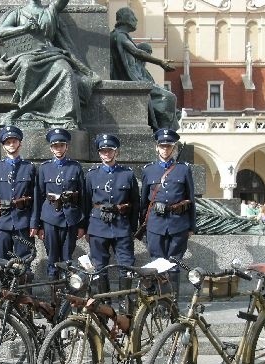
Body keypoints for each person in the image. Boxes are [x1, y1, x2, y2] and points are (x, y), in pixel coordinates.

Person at [0, 0, 100, 128]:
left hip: (50, 52)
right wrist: (23, 28)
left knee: (65, 70)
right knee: (27, 65)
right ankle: (27, 109)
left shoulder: (50, 10)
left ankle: (66, 117)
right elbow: (3, 30)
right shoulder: (17, 13)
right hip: (26, 53)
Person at [140, 128, 196, 294]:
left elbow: (191, 199)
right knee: (157, 263)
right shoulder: (148, 170)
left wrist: (191, 226)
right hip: (155, 224)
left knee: (173, 264)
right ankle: (159, 301)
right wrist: (143, 224)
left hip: (178, 223)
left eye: (169, 146)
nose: (165, 149)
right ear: (156, 147)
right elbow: (144, 201)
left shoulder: (183, 170)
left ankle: (172, 303)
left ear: (174, 148)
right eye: (162, 146)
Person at [85, 133, 139, 300]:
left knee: (126, 265)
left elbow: (135, 203)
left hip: (121, 226)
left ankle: (125, 304)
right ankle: (104, 303)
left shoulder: (128, 175)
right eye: (103, 151)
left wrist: (132, 227)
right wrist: (88, 228)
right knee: (99, 266)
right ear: (99, 153)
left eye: (110, 151)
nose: (106, 154)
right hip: (98, 226)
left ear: (116, 152)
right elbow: (86, 202)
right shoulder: (91, 175)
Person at [109, 7, 178, 131]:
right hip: (130, 81)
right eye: (133, 17)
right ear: (125, 19)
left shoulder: (120, 35)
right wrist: (160, 62)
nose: (136, 20)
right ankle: (163, 136)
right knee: (168, 98)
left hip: (134, 80)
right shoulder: (119, 36)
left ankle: (165, 133)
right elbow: (136, 52)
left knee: (168, 98)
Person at [38, 128, 86, 280]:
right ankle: (53, 299)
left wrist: (82, 225)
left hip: (70, 217)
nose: (58, 149)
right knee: (52, 258)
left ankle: (67, 297)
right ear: (51, 148)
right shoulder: (44, 168)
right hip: (50, 218)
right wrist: (39, 225)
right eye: (55, 146)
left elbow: (83, 197)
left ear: (67, 147)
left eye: (61, 145)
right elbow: (39, 196)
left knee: (67, 259)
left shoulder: (75, 167)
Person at [0, 126, 39, 261]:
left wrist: (34, 223)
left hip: (23, 221)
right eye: (7, 142)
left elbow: (36, 198)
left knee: (24, 261)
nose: (11, 145)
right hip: (1, 222)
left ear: (19, 143)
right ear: (3, 146)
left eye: (14, 142)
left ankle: (22, 282)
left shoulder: (29, 168)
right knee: (1, 261)